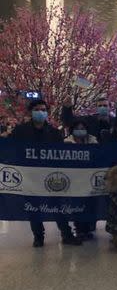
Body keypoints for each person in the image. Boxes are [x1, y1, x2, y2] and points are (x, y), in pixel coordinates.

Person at [10, 100, 82, 247]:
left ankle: (66, 234)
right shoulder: (20, 131)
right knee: (33, 207)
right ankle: (38, 236)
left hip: (51, 176)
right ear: (30, 112)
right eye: (37, 109)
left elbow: (60, 154)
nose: (40, 112)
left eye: (43, 109)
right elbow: (11, 150)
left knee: (57, 206)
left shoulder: (54, 133)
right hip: (29, 176)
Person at [64, 119, 99, 240]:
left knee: (90, 204)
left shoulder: (92, 141)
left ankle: (88, 228)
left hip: (90, 178)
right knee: (77, 205)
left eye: (82, 128)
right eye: (77, 128)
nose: (80, 131)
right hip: (75, 179)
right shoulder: (67, 142)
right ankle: (79, 228)